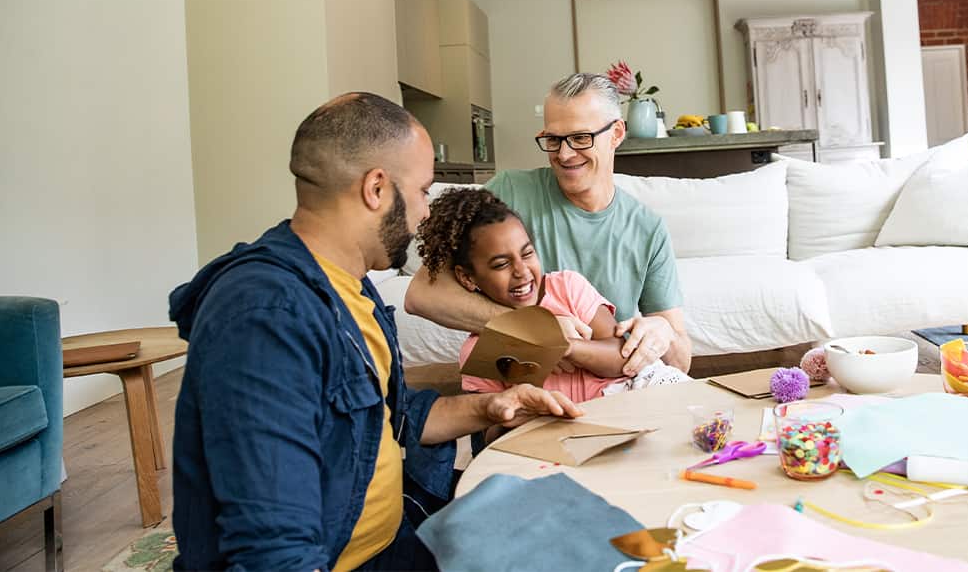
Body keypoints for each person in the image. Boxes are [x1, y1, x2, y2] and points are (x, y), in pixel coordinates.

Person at [169, 93, 583, 571]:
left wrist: (491, 405)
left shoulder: (352, 286)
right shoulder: (266, 318)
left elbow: (392, 418)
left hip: (401, 531)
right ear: (377, 189)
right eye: (424, 191)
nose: (426, 213)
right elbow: (272, 551)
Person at [406, 73, 693, 376]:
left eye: (581, 138)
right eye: (553, 140)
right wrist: (534, 329)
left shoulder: (647, 229)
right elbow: (422, 294)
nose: (564, 154)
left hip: (608, 393)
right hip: (523, 390)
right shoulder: (509, 193)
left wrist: (663, 331)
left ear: (617, 133)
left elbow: (680, 364)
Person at [416, 186, 689, 405]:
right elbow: (489, 428)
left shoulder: (567, 287)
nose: (522, 271)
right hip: (559, 429)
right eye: (501, 264)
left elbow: (623, 360)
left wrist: (563, 345)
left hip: (629, 396)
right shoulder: (479, 350)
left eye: (528, 253)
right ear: (467, 277)